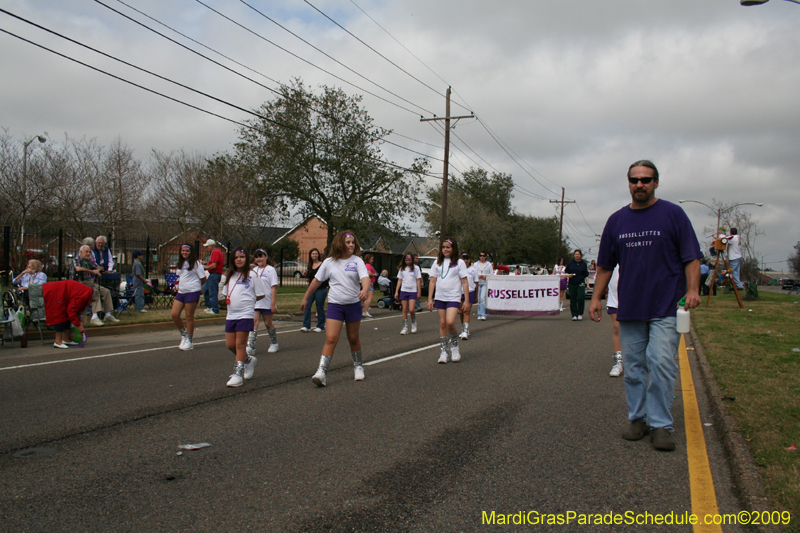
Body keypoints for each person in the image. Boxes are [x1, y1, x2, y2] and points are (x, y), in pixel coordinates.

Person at [589, 159, 702, 452]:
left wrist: (693, 289)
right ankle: (638, 419)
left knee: (662, 363)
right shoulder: (617, 221)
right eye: (635, 179)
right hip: (631, 307)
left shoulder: (673, 215)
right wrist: (595, 298)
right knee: (635, 367)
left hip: (666, 305)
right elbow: (604, 266)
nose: (640, 184)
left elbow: (691, 257)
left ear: (656, 183)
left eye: (646, 179)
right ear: (629, 183)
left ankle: (661, 425)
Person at [301, 231, 370, 386]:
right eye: (348, 242)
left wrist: (365, 290)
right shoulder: (329, 262)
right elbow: (316, 281)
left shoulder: (357, 261)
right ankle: (321, 372)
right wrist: (306, 297)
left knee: (353, 338)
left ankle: (358, 366)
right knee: (331, 338)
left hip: (353, 305)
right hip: (335, 306)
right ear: (340, 243)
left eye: (353, 242)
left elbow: (365, 278)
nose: (351, 245)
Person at [223, 250, 266, 387]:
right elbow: (226, 294)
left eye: (242, 257)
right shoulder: (229, 275)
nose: (239, 259)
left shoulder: (253, 275)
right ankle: (248, 360)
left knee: (240, 344)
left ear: (247, 259)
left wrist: (248, 302)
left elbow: (260, 294)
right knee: (230, 345)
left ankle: (238, 374)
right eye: (236, 257)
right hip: (231, 315)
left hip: (246, 314)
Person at [427, 238, 470, 363]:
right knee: (442, 323)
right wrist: (430, 298)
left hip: (454, 297)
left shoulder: (460, 263)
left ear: (453, 248)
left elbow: (464, 281)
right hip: (440, 296)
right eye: (443, 247)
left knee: (450, 322)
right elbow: (433, 280)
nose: (445, 249)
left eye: (448, 247)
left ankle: (455, 347)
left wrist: (466, 300)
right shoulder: (437, 262)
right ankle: (444, 351)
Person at [68, 245, 119, 326]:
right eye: (86, 252)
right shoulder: (76, 260)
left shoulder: (88, 262)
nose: (88, 254)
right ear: (81, 252)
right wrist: (93, 272)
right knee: (95, 292)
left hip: (89, 283)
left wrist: (97, 270)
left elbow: (99, 267)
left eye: (89, 252)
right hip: (78, 284)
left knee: (106, 291)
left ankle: (108, 314)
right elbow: (78, 268)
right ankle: (94, 317)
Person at [172, 244, 207, 351]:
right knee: (174, 314)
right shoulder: (180, 263)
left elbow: (203, 278)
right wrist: (177, 287)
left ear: (191, 252)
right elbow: (179, 276)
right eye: (183, 250)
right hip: (181, 292)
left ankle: (190, 341)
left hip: (192, 292)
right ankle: (184, 335)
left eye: (187, 251)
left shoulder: (196, 264)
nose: (184, 252)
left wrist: (198, 287)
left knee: (189, 316)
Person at [43, 280, 92, 349]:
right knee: (59, 315)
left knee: (65, 314)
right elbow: (72, 310)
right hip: (55, 293)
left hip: (61, 293)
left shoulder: (86, 292)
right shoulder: (84, 295)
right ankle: (58, 341)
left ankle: (65, 339)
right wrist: (78, 326)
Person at [249, 249, 279, 355]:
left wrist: (273, 303)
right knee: (254, 323)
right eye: (256, 257)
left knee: (268, 323)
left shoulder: (271, 270)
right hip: (256, 302)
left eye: (261, 256)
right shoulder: (253, 270)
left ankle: (274, 343)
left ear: (266, 257)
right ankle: (251, 346)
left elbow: (274, 287)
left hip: (267, 302)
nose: (259, 259)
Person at [301, 248, 327, 333]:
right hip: (311, 289)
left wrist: (327, 286)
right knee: (307, 306)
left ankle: (320, 325)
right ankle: (306, 325)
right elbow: (311, 277)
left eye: (316, 253)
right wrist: (306, 274)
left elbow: (325, 276)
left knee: (319, 307)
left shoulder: (322, 265)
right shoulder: (310, 265)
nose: (314, 255)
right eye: (313, 254)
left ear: (318, 255)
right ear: (310, 255)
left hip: (321, 289)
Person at [395, 254, 422, 335]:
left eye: (409, 260)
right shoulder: (402, 268)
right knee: (405, 309)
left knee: (411, 309)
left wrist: (419, 291)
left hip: (413, 291)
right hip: (404, 290)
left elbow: (418, 280)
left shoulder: (416, 268)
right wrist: (397, 291)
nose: (408, 262)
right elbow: (399, 280)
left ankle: (413, 323)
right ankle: (405, 327)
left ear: (412, 260)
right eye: (406, 260)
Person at [607, 265, 623, 377]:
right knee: (617, 328)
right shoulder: (612, 258)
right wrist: (596, 298)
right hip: (615, 298)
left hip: (636, 296)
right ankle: (619, 362)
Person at [459, 252, 479, 340]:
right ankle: (463, 328)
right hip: (459, 292)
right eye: (463, 259)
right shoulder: (457, 269)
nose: (465, 261)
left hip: (470, 292)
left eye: (467, 259)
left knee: (466, 311)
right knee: (461, 312)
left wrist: (476, 296)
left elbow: (476, 283)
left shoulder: (473, 270)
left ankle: (465, 331)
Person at [565, 249, 589, 321]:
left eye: (578, 254)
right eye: (575, 254)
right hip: (572, 283)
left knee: (580, 297)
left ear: (580, 255)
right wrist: (569, 275)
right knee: (573, 299)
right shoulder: (570, 264)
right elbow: (566, 273)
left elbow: (586, 275)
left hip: (581, 283)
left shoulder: (583, 264)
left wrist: (587, 284)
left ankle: (580, 313)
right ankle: (574, 315)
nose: (577, 255)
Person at [202, 239, 224, 314]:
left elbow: (214, 266)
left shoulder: (215, 252)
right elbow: (213, 263)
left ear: (211, 246)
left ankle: (215, 309)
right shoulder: (214, 252)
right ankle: (210, 306)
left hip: (215, 274)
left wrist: (205, 267)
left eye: (207, 246)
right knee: (206, 290)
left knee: (212, 292)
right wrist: (206, 263)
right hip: (213, 274)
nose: (207, 248)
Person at [475, 251, 493, 321]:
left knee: (483, 299)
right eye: (481, 255)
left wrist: (486, 276)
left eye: (483, 256)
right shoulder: (476, 264)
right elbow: (473, 273)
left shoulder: (489, 265)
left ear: (486, 257)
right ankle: (479, 314)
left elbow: (491, 274)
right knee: (479, 299)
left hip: (485, 283)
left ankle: (483, 314)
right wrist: (478, 276)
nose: (482, 257)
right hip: (477, 283)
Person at [362, 253, 377, 318]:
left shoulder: (368, 265)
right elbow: (369, 273)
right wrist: (374, 274)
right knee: (369, 297)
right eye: (371, 259)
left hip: (370, 283)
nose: (372, 260)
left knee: (370, 297)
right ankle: (365, 311)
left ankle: (366, 308)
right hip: (369, 283)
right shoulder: (368, 265)